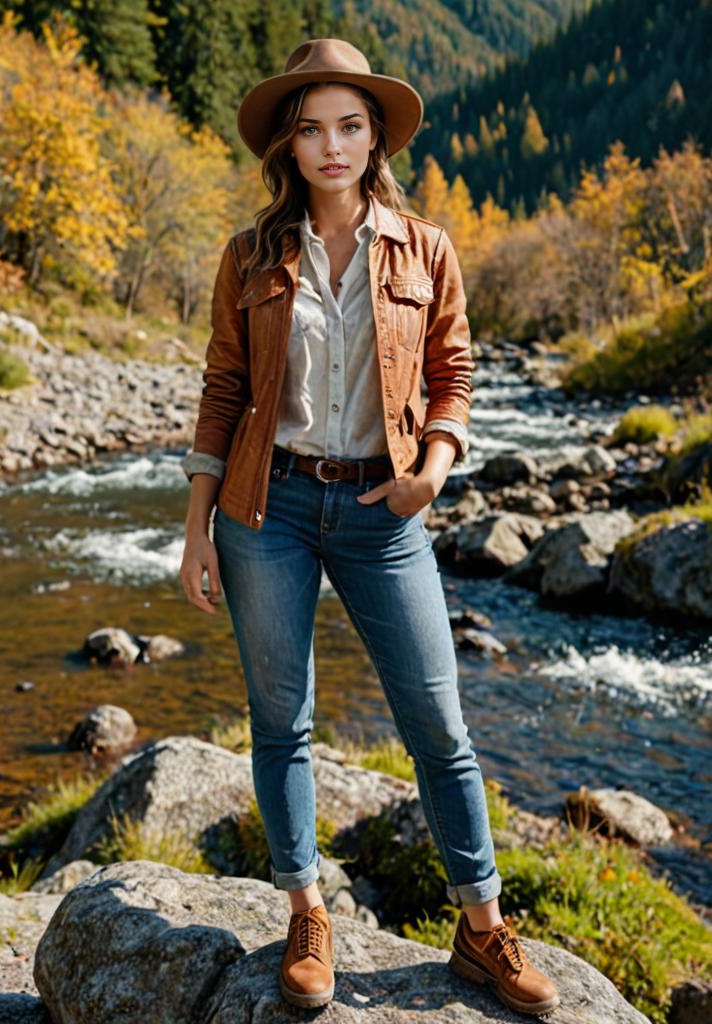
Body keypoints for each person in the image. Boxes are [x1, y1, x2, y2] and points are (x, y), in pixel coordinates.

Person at [179, 37, 560, 1018]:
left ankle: (481, 932)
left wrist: (432, 469)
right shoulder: (251, 253)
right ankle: (307, 912)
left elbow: (455, 370)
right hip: (265, 512)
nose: (333, 145)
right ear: (288, 148)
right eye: (312, 129)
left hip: (384, 513)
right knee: (282, 721)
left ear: (376, 137)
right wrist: (195, 530)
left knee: (440, 724)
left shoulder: (425, 247)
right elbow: (222, 388)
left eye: (351, 125)